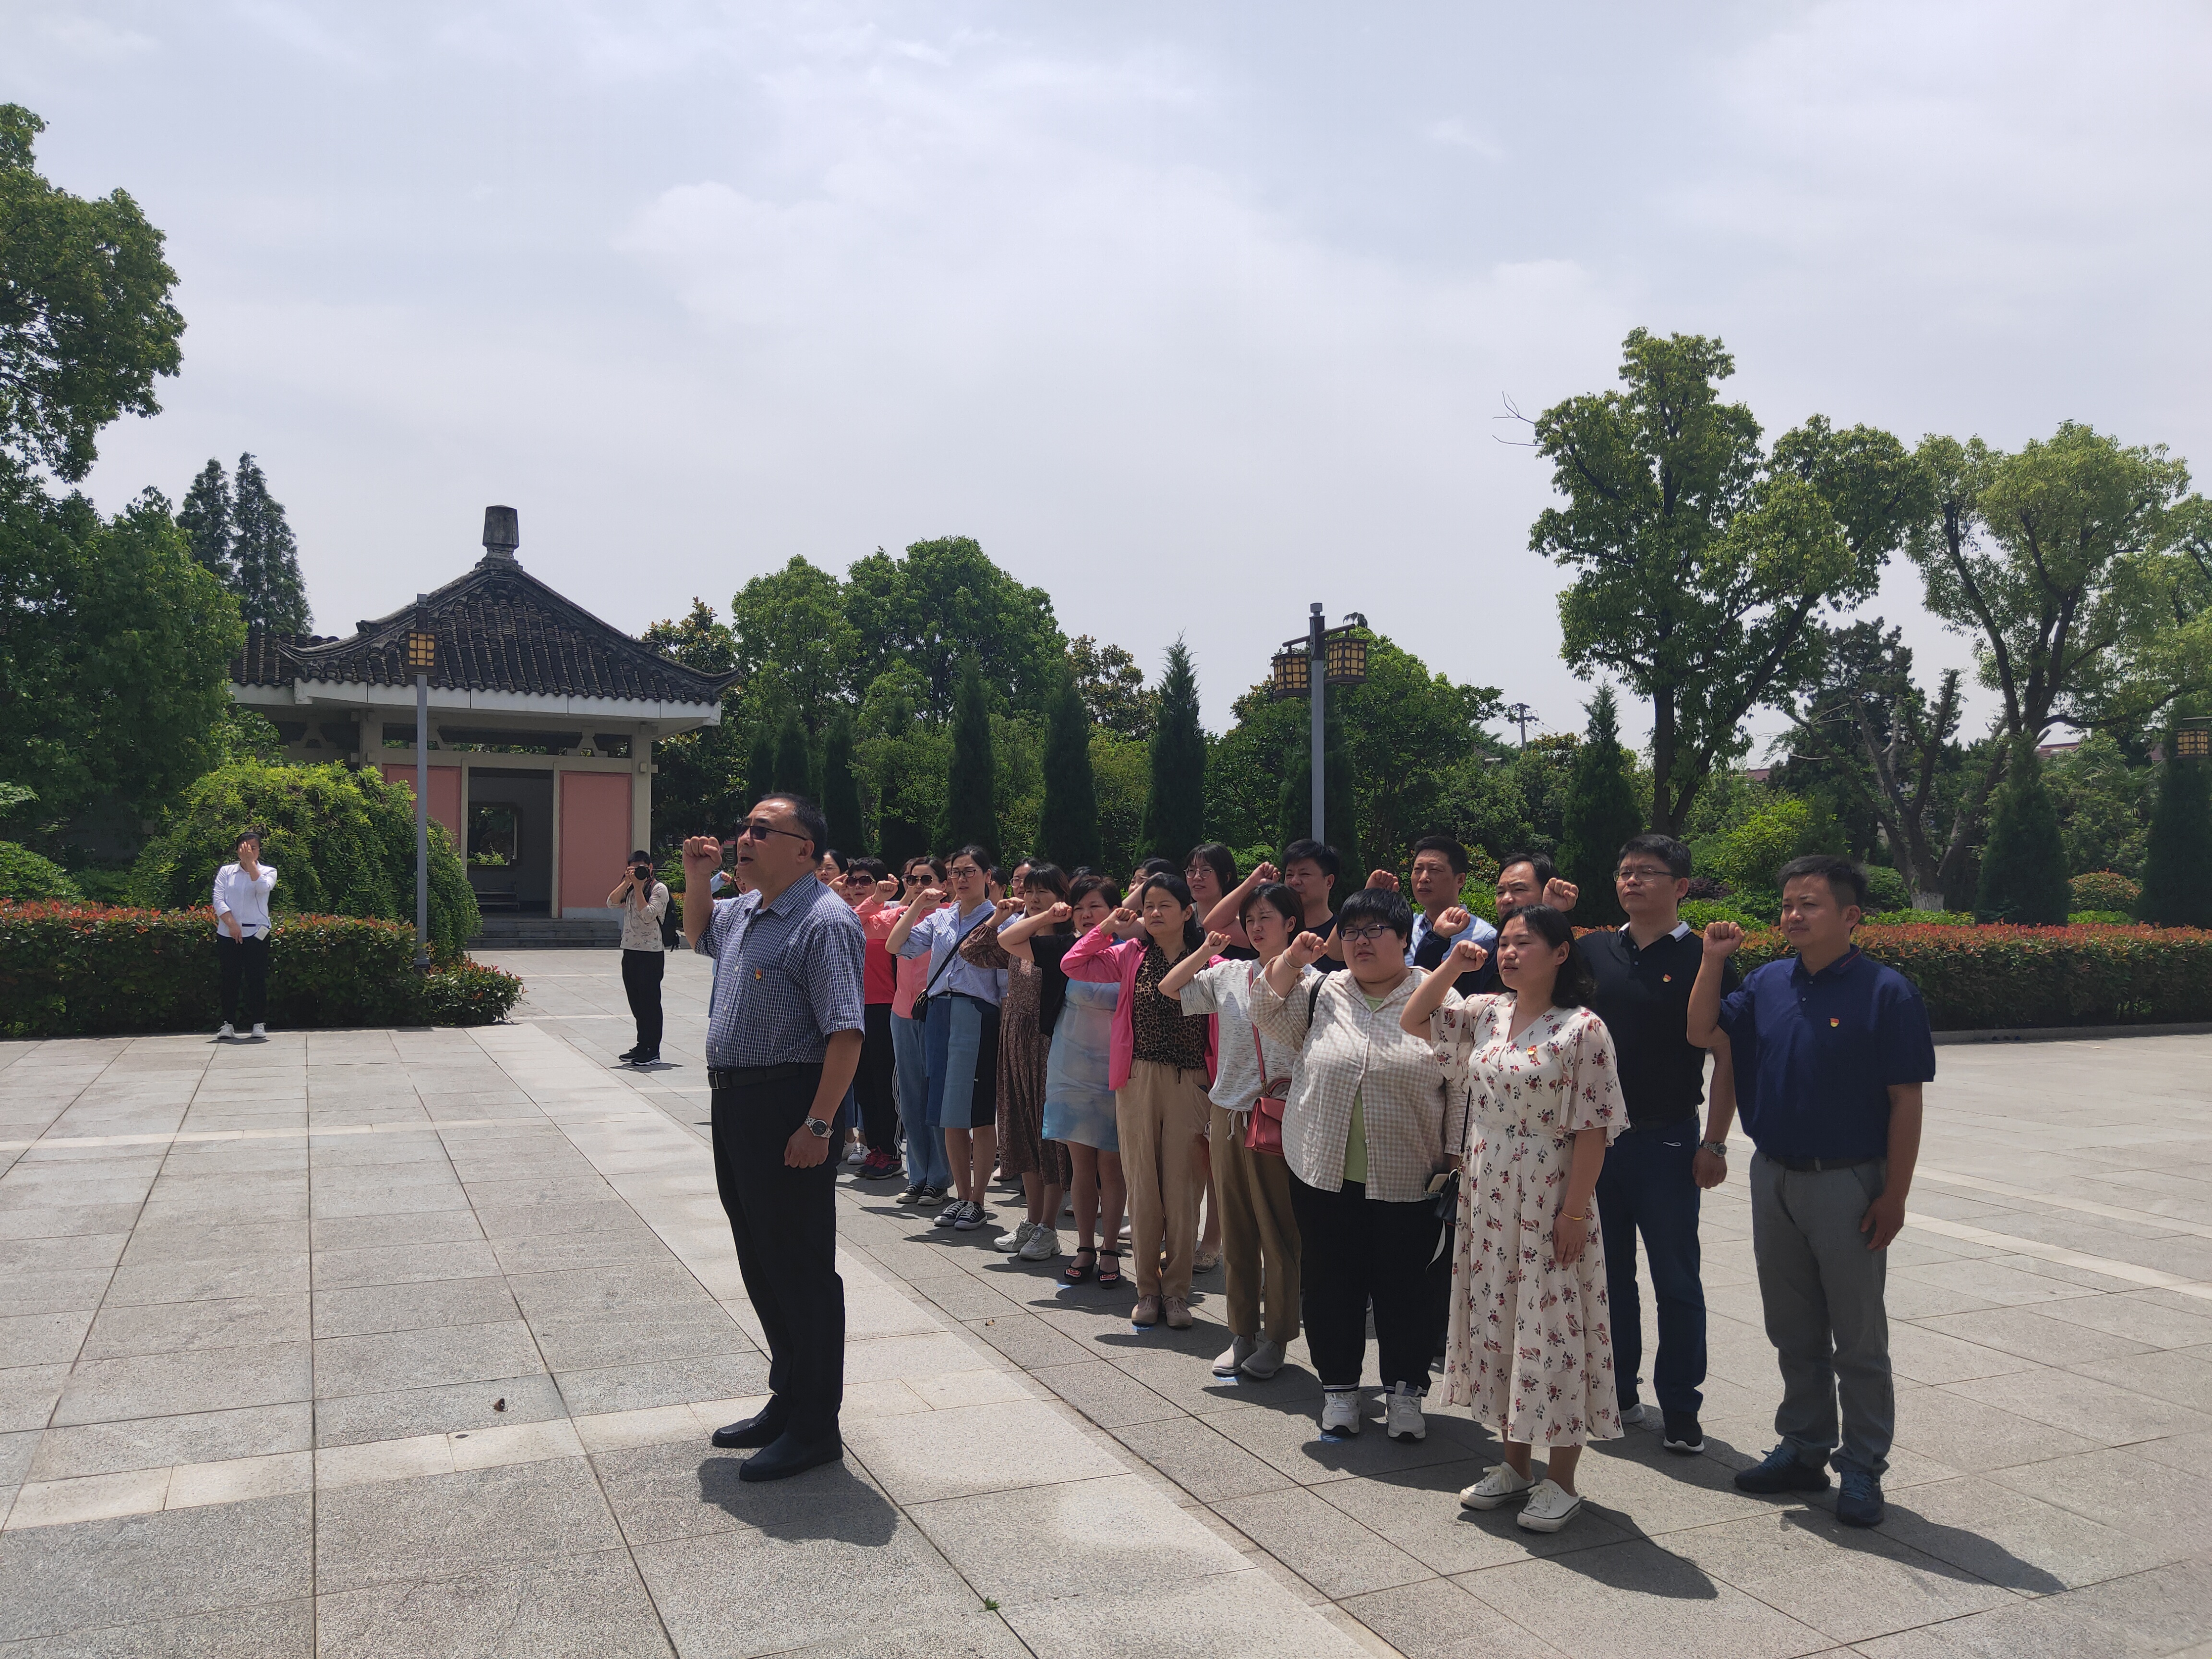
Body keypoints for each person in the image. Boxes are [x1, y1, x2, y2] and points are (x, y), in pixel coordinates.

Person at [1688, 854, 1934, 1530]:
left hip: (1848, 1180)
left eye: (1810, 904)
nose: (1793, 915)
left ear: (1851, 916)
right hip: (1774, 1175)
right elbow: (1702, 1032)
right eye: (1788, 904)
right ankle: (1803, 1447)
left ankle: (1863, 1467)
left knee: (1857, 1337)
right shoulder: (1767, 982)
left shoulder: (1888, 992)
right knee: (1792, 1329)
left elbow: (1906, 1101)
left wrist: (1895, 1195)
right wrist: (1711, 960)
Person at [1403, 905, 1624, 1533]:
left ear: (1561, 953)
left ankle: (1563, 1479)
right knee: (1500, 1320)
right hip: (1490, 1190)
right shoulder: (1488, 1012)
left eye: (1524, 943)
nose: (1509, 953)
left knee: (1554, 1325)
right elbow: (1414, 1018)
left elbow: (1594, 1129)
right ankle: (1514, 1465)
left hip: (1550, 1192)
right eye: (1504, 942)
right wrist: (1453, 963)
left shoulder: (1583, 1029)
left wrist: (1574, 1212)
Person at [679, 795, 864, 1483]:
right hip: (737, 1104)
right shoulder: (747, 910)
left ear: (804, 850)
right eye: (745, 828)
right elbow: (699, 933)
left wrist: (819, 1124)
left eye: (763, 830)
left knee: (800, 1267)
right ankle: (788, 1397)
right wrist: (696, 878)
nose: (745, 839)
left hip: (791, 1104)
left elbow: (846, 1032)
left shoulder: (825, 920)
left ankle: (816, 1425)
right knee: (760, 1257)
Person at [1252, 886, 1460, 1442]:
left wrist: (1457, 1157)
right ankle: (1340, 1390)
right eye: (1350, 932)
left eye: (1373, 930)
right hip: (1323, 1170)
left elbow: (1461, 1083)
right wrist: (1293, 959)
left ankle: (1405, 1393)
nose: (1360, 941)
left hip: (1411, 1174)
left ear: (1404, 937)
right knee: (1330, 1283)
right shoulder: (1324, 990)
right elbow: (1263, 1009)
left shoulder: (1440, 995)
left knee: (1407, 1288)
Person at [1580, 833, 1738, 1451]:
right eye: (1625, 871)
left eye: (1647, 871)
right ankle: (1618, 1393)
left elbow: (1727, 1057)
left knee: (1676, 1279)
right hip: (1597, 1143)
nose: (1632, 880)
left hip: (1668, 1141)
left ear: (1682, 886)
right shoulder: (1594, 951)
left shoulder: (1707, 955)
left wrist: (1715, 1143)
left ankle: (1681, 1406)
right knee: (1608, 1276)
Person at [1160, 880, 1304, 1380]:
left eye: (1267, 917)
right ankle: (1242, 1333)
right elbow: (1170, 987)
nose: (1257, 927)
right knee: (1237, 1232)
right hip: (1227, 1113)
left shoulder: (1311, 981)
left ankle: (1278, 1337)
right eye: (1251, 919)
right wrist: (1205, 949)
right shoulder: (1229, 974)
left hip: (1279, 1115)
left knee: (1278, 1233)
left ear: (1291, 923)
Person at [1063, 873, 1217, 1328]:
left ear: (1188, 912)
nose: (1154, 912)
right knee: (1144, 1186)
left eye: (1165, 904)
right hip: (1137, 1079)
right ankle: (1147, 1290)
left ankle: (1177, 1293)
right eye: (1148, 905)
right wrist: (1108, 925)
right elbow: (1074, 963)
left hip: (1191, 1082)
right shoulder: (1131, 953)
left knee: (1184, 1190)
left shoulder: (1211, 960)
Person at [1006, 877, 1129, 1286]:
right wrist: (1048, 913)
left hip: (1115, 1070)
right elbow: (1009, 940)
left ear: (1114, 910)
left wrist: (1113, 926)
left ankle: (1110, 1248)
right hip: (1070, 1067)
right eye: (1080, 908)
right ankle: (1085, 1246)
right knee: (1081, 1165)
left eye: (1096, 907)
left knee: (1111, 1165)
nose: (1087, 915)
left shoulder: (1130, 951)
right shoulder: (1065, 948)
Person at [889, 846, 1008, 1233]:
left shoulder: (1000, 919)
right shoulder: (940, 918)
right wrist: (916, 904)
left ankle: (978, 1199)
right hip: (939, 1013)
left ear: (987, 876)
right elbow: (895, 945)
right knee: (947, 1113)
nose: (961, 878)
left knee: (977, 1112)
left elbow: (1005, 986)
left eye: (970, 871)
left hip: (977, 1013)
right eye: (956, 872)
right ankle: (961, 1196)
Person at [961, 864, 1076, 1261]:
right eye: (1029, 891)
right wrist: (999, 916)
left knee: (1048, 1136)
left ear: (1062, 897)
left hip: (1048, 1044)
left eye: (1043, 892)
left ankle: (1049, 1226)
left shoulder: (1067, 943)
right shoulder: (1016, 938)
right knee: (1022, 1129)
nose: (1034, 899)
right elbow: (971, 951)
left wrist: (1044, 919)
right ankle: (1031, 1220)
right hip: (1014, 1041)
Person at [888, 855, 950, 1203]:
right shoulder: (903, 915)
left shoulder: (950, 917)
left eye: (927, 880)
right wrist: (913, 904)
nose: (919, 887)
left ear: (944, 885)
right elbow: (889, 942)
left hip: (937, 1013)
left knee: (936, 1096)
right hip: (903, 1013)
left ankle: (939, 1176)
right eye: (912, 880)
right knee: (910, 1096)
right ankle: (918, 1174)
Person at [846, 857, 904, 1178]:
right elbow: (852, 920)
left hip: (886, 1008)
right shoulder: (848, 914)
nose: (857, 886)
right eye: (852, 881)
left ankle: (892, 1153)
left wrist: (882, 899)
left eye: (865, 880)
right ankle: (876, 1148)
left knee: (885, 1083)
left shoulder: (893, 915)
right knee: (863, 1085)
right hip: (855, 1010)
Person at [212, 830, 277, 1041]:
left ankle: (258, 1023)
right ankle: (228, 1024)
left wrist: (251, 865)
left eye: (253, 848)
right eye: (244, 848)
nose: (248, 852)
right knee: (230, 978)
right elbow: (218, 899)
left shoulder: (268, 871)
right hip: (228, 933)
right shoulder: (226, 872)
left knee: (256, 978)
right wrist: (231, 924)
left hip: (257, 933)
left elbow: (263, 888)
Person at [607, 851, 671, 1065]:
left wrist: (638, 887)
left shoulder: (658, 889)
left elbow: (648, 915)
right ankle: (642, 1044)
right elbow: (611, 903)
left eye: (642, 868)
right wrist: (628, 882)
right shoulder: (629, 886)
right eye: (634, 868)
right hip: (630, 950)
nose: (639, 872)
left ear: (650, 868)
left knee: (650, 1002)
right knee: (636, 1001)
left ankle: (653, 1050)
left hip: (651, 953)